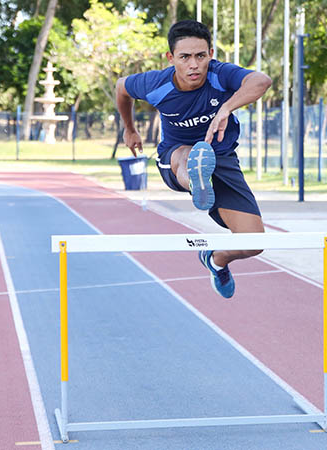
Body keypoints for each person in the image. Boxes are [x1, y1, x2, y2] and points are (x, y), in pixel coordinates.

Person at [116, 20, 272, 299]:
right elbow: (121, 88)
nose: (194, 65)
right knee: (189, 155)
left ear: (210, 53)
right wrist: (129, 129)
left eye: (201, 56)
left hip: (222, 159)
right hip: (176, 154)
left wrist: (226, 107)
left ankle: (215, 259)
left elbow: (261, 80)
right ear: (171, 58)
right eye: (185, 57)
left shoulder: (219, 75)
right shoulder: (155, 84)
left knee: (253, 242)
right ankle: (195, 181)